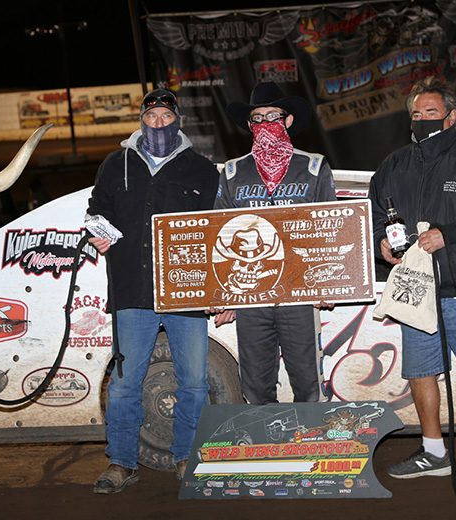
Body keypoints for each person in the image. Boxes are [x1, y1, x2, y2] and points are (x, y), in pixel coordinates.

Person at [368, 77, 456, 486]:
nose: (422, 120)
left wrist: (449, 233)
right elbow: (374, 213)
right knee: (421, 371)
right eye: (416, 114)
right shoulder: (394, 165)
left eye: (430, 113)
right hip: (416, 289)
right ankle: (434, 451)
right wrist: (381, 241)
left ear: (451, 117)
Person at [86, 88, 220, 493]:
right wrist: (97, 232)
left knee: (194, 381)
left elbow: (218, 230)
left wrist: (220, 290)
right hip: (132, 291)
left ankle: (186, 457)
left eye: (165, 116)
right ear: (141, 120)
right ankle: (121, 463)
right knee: (125, 383)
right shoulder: (116, 164)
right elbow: (97, 208)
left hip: (188, 293)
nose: (158, 123)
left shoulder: (202, 169)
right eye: (151, 116)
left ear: (178, 120)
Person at [212, 81, 337, 405]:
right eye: (258, 118)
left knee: (307, 383)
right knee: (255, 385)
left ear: (288, 120)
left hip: (299, 293)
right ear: (249, 124)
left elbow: (333, 229)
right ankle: (265, 437)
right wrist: (224, 294)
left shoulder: (313, 167)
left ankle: (308, 437)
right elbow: (218, 235)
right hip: (250, 295)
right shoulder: (232, 172)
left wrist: (329, 284)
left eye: (273, 116)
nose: (265, 123)